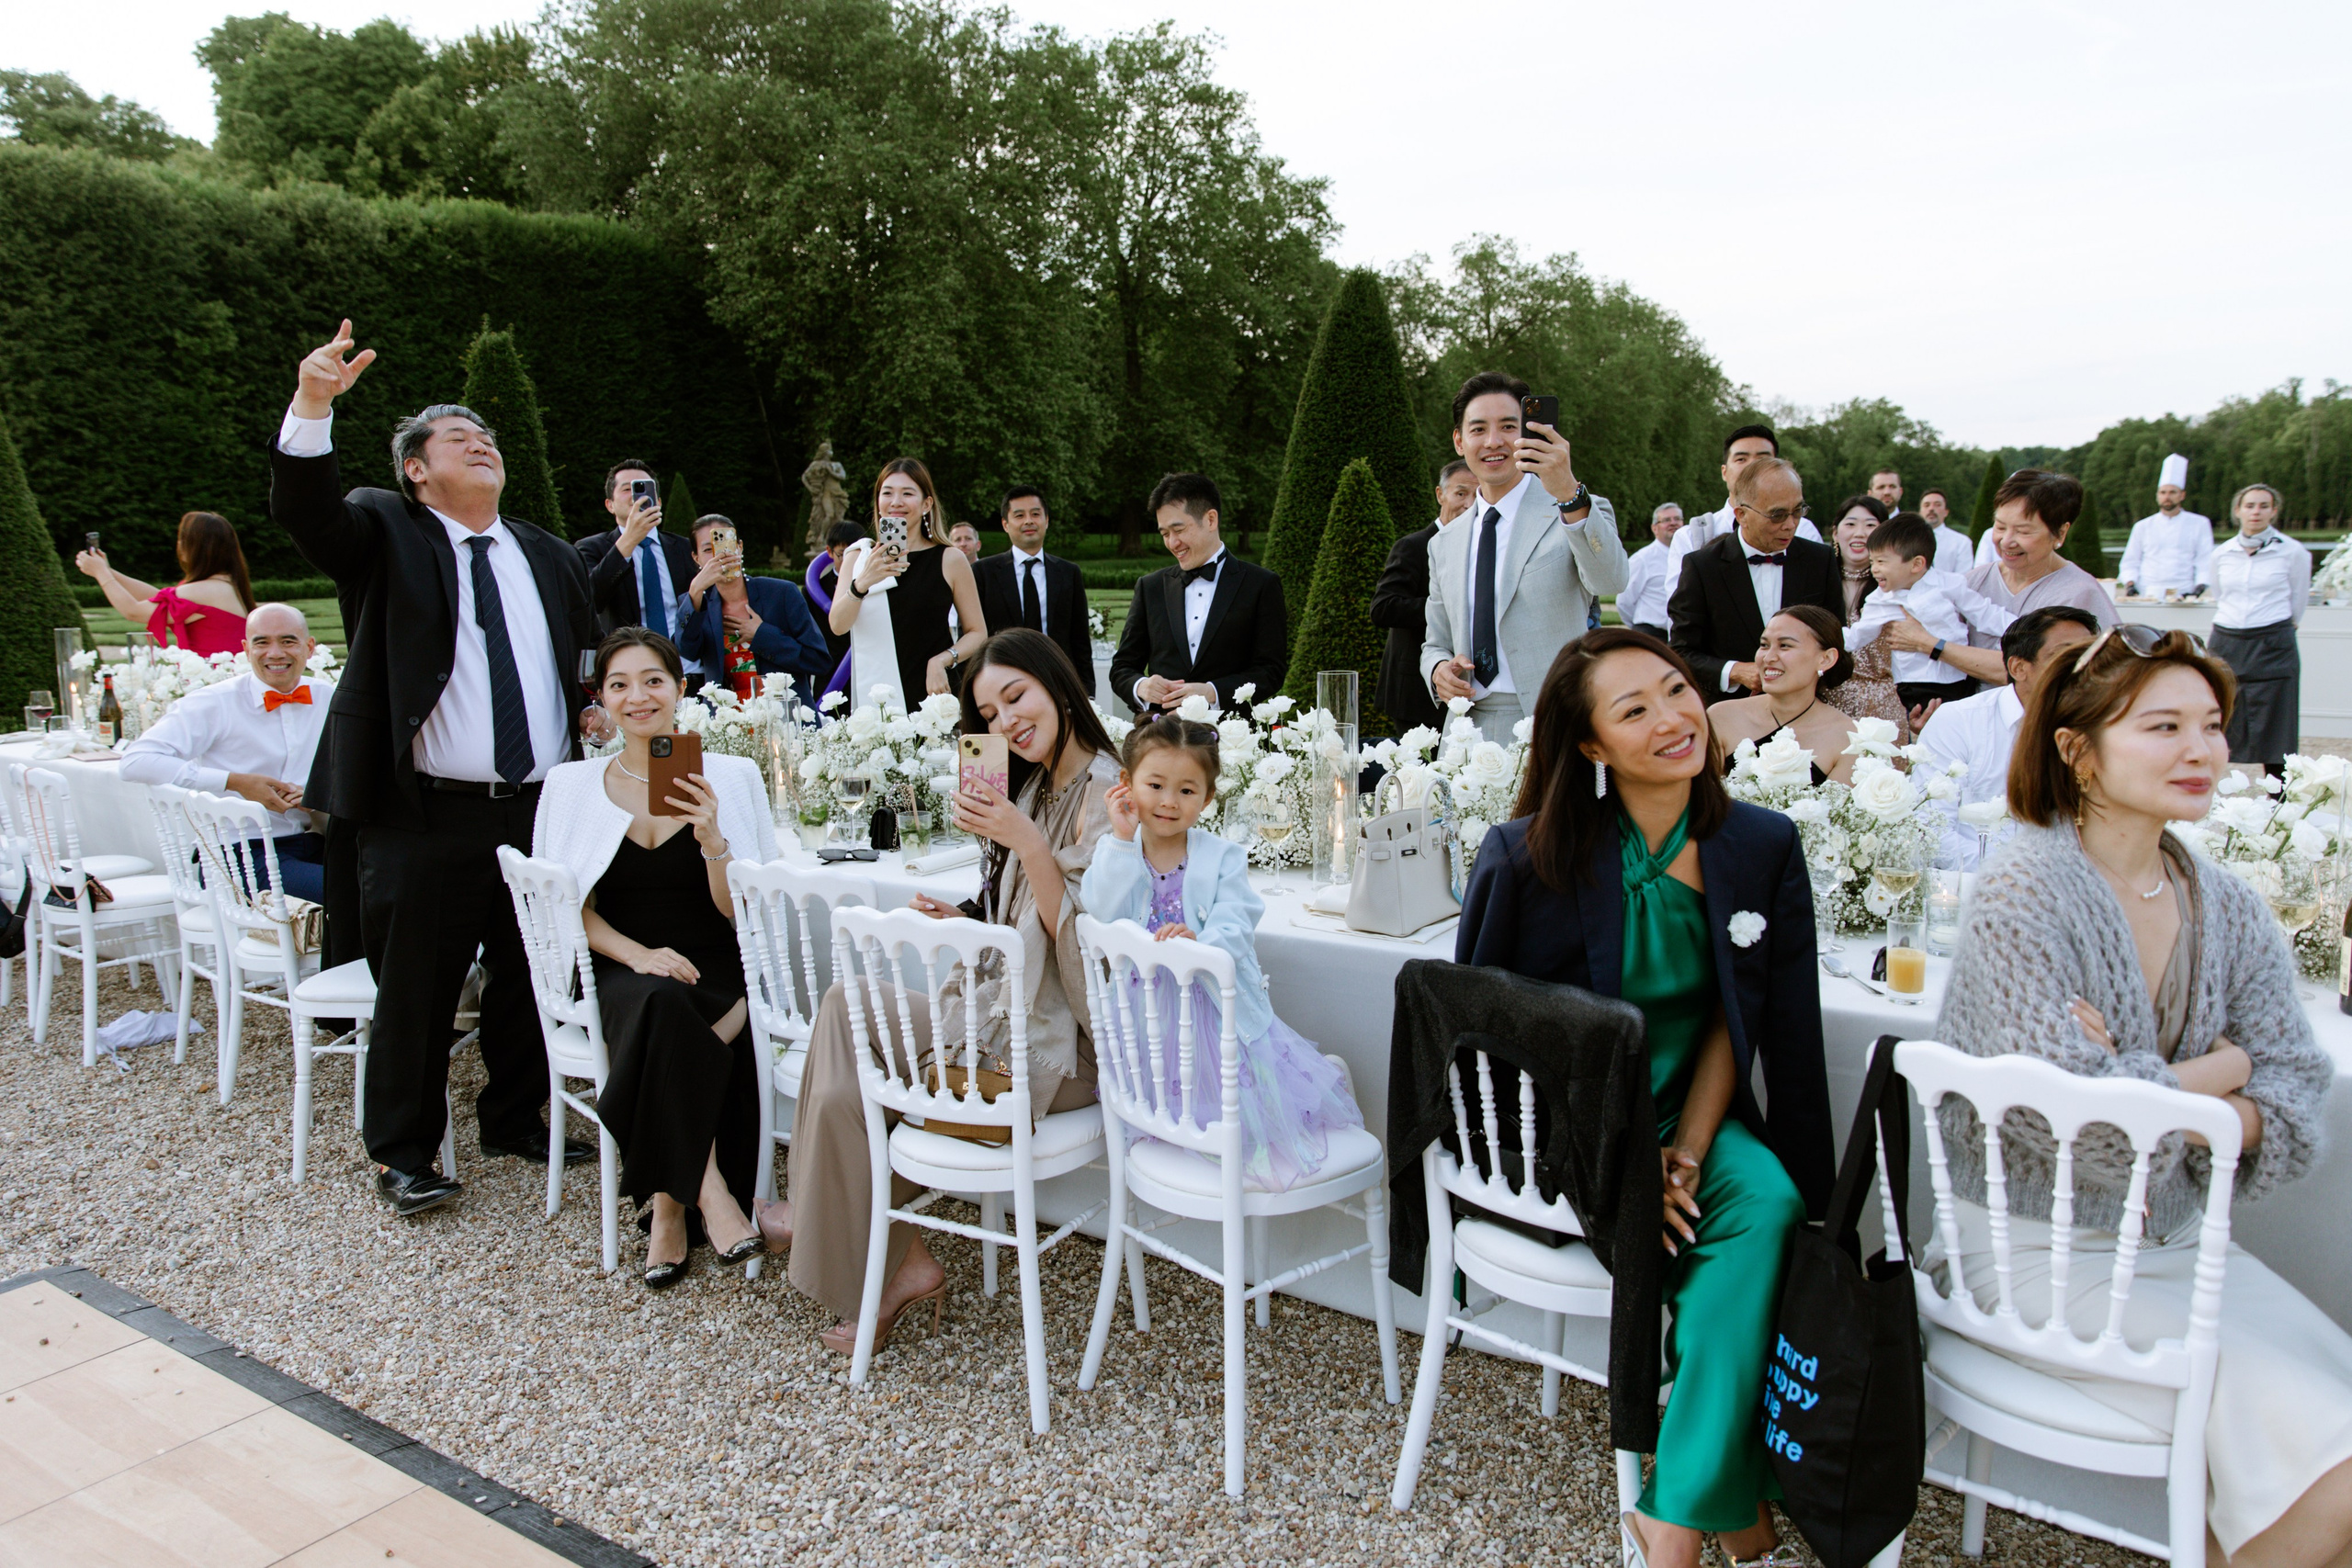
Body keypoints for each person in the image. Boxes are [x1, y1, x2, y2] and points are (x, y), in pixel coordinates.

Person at [1935, 625, 2349, 1568]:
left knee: (2325, 1442)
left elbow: (2301, 1095)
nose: (2201, 750)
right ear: (2075, 750)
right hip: (2033, 1251)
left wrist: (2146, 1083)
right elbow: (2085, 1139)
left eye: (2210, 725)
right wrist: (2227, 1069)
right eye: (2162, 727)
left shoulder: (2224, 903)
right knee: (2340, 1479)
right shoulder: (2023, 887)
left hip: (2175, 1247)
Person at [1455, 626, 1832, 1568]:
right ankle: (1723, 1502)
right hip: (1569, 1131)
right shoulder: (1524, 857)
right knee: (1694, 1244)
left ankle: (1668, 1522)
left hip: (1691, 1113)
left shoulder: (1760, 844)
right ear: (1588, 746)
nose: (1673, 720)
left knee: (1770, 1206)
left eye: (1675, 691)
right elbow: (1486, 1051)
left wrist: (1690, 1154)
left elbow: (1734, 1025)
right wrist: (1620, 1162)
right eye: (1634, 711)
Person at [268, 320, 601, 1218]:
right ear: (418, 469)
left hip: (537, 808)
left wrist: (595, 699)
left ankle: (512, 1115)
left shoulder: (545, 552)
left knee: (533, 977)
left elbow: (585, 655)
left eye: (485, 437)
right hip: (424, 813)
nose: (480, 443)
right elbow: (308, 515)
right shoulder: (387, 529)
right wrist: (311, 405)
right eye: (459, 438)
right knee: (416, 986)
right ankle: (404, 1152)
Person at [763, 629, 1119, 1350]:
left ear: (1058, 684)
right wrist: (965, 916)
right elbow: (1026, 925)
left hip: (1062, 1050)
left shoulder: (1108, 792)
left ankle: (850, 1237)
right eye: (987, 715)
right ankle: (890, 1255)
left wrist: (1026, 843)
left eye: (1015, 696)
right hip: (1004, 1015)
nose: (1005, 722)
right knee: (846, 1006)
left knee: (850, 1082)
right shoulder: (1039, 782)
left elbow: (1091, 963)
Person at [531, 629, 775, 1287]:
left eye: (652, 680)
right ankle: (710, 1196)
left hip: (718, 965)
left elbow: (744, 913)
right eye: (619, 684)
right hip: (619, 964)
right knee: (661, 1001)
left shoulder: (731, 773)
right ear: (602, 701)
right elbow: (564, 903)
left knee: (671, 1010)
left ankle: (668, 1202)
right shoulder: (572, 783)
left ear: (680, 688)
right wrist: (637, 953)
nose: (637, 696)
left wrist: (713, 838)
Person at [1080, 718, 1364, 1189]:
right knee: (1168, 1083)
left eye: (1187, 791)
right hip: (1146, 1017)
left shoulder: (1221, 856)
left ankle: (1226, 1147)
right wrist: (1120, 838)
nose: (1169, 801)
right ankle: (1174, 1140)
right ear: (1126, 786)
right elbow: (1101, 910)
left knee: (1229, 1087)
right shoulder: (1118, 852)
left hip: (1212, 1008)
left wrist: (1200, 942)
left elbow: (1236, 924)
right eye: (1155, 786)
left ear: (1208, 799)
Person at [1422, 371, 1627, 741]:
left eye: (1508, 426)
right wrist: (1437, 669)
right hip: (1465, 732)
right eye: (1479, 429)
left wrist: (1567, 490)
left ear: (1529, 434)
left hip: (1553, 722)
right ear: (1459, 440)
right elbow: (1435, 641)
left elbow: (1611, 581)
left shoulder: (1577, 508)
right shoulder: (1444, 542)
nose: (1494, 442)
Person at [119, 603, 334, 903]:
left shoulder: (330, 699)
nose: (275, 652)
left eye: (288, 641)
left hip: (315, 841)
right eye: (262, 642)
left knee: (397, 885)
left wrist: (319, 796)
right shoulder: (214, 703)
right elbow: (135, 762)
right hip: (239, 854)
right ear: (246, 649)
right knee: (350, 894)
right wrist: (234, 782)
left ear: (309, 647)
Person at [1913, 605, 2098, 867]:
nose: (2080, 668)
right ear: (2019, 667)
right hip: (1976, 885)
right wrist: (2018, 874)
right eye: (2065, 656)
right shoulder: (1959, 721)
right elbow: (1932, 830)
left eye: (2089, 657)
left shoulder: (2102, 728)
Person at [1110, 473, 1288, 718]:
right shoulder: (1150, 587)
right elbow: (1122, 668)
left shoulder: (1261, 584)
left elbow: (1271, 671)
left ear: (1211, 519)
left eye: (1179, 529)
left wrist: (1212, 692)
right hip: (1162, 738)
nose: (1172, 543)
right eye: (1164, 534)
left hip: (1234, 741)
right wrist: (1142, 686)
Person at [1667, 457, 1842, 705]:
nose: (1791, 524)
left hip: (1805, 712)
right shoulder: (1702, 566)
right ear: (1741, 515)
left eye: (1798, 511)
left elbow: (1836, 641)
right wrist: (1736, 671)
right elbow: (1681, 652)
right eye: (1778, 515)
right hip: (1729, 713)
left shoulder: (1819, 560)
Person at [826, 458, 986, 710]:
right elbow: (837, 625)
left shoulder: (949, 558)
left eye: (907, 493)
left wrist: (943, 660)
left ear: (926, 504)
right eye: (887, 493)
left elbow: (978, 632)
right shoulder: (858, 557)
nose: (896, 502)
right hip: (877, 698)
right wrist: (864, 580)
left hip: (934, 693)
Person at [1844, 513, 2012, 719]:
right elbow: (1858, 635)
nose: (1874, 569)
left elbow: (1984, 614)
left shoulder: (1950, 584)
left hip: (1958, 677)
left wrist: (2020, 629)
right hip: (1914, 684)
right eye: (1872, 562)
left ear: (1916, 564)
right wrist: (1824, 641)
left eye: (1881, 562)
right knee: (1932, 730)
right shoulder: (1880, 600)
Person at [1954, 472, 2118, 678]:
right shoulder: (1974, 581)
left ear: (2060, 533)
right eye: (2000, 527)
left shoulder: (2078, 593)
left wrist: (1934, 646)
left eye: (2023, 531)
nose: (2006, 541)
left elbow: (2029, 673)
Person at [2207, 482, 2310, 779]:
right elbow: (2219, 593)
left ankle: (2278, 803)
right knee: (2219, 716)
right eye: (2250, 505)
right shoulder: (2221, 553)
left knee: (2278, 724)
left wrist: (2276, 628)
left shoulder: (2294, 553)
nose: (2256, 512)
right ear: (2238, 511)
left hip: (2273, 643)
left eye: (2264, 506)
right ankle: (2209, 794)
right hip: (2227, 642)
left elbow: (2298, 600)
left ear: (2274, 511)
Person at [673, 513, 831, 705]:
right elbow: (686, 651)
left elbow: (819, 660)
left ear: (739, 547)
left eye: (725, 546)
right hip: (727, 724)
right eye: (708, 550)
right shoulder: (695, 603)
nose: (719, 556)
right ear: (696, 558)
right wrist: (696, 590)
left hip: (783, 717)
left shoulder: (781, 593)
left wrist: (762, 635)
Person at [1370, 461, 1476, 735]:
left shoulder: (1481, 548)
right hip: (1415, 693)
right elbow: (1383, 608)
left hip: (1467, 687)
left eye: (1478, 495)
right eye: (1461, 494)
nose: (1469, 504)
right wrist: (1445, 608)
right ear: (1441, 495)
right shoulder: (1413, 546)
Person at [1705, 606, 1864, 785]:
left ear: (1826, 659)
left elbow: (1841, 811)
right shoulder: (1722, 716)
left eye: (1785, 646)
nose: (1768, 658)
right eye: (1764, 645)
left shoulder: (1848, 738)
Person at [76, 511, 255, 658]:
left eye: (182, 540)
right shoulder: (221, 583)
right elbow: (158, 596)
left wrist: (101, 574)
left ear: (194, 548)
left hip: (216, 686)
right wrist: (108, 570)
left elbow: (132, 610)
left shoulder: (204, 590)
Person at [971, 487, 1092, 693]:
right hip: (1001, 683)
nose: (1028, 521)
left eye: (1035, 514)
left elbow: (1080, 640)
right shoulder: (983, 573)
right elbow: (974, 636)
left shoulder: (1068, 572)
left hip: (1057, 681)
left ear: (1046, 520)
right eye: (1019, 515)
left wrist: (1087, 694)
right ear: (1005, 524)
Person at [1664, 425, 1822, 581]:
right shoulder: (1691, 536)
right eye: (1741, 459)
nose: (1751, 466)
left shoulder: (1803, 530)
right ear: (1724, 472)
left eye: (1763, 459)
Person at [576, 459, 698, 640]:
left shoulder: (685, 548)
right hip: (629, 658)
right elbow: (591, 600)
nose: (636, 496)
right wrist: (629, 539)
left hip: (687, 660)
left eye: (643, 488)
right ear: (610, 505)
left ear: (658, 502)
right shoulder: (591, 548)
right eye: (627, 489)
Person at [1821, 495, 1909, 738]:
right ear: (1836, 533)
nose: (1860, 533)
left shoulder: (1898, 588)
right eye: (1851, 524)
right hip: (1825, 704)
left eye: (1870, 525)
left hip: (1884, 707)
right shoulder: (1817, 580)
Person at [2116, 452, 2215, 600]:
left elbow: (2205, 560)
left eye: (2172, 492)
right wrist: (2130, 584)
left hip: (2184, 593)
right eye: (2163, 492)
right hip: (2147, 593)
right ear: (2157, 495)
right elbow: (2130, 561)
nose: (2167, 497)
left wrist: (2200, 586)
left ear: (2182, 495)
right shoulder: (2143, 526)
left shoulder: (2200, 523)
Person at [804, 518, 864, 681]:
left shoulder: (876, 585)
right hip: (830, 672)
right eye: (842, 555)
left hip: (866, 667)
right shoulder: (814, 590)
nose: (850, 561)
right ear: (829, 552)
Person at [1617, 502, 1686, 638]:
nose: (1673, 523)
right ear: (1655, 528)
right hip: (1651, 634)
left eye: (1677, 519)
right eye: (1666, 520)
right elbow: (1624, 601)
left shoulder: (1690, 555)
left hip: (1680, 635)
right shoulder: (1642, 559)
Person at [1917, 487, 1974, 576]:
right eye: (1927, 505)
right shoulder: (1906, 540)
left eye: (1937, 504)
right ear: (1920, 512)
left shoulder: (1961, 542)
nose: (1931, 509)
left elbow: (1963, 578)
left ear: (1946, 512)